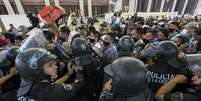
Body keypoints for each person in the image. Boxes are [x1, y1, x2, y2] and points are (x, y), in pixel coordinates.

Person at [16, 48, 83, 101]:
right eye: (50, 65)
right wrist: (79, 71)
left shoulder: (27, 85)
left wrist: (69, 74)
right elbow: (78, 85)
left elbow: (52, 86)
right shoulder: (51, 93)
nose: (56, 66)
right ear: (38, 72)